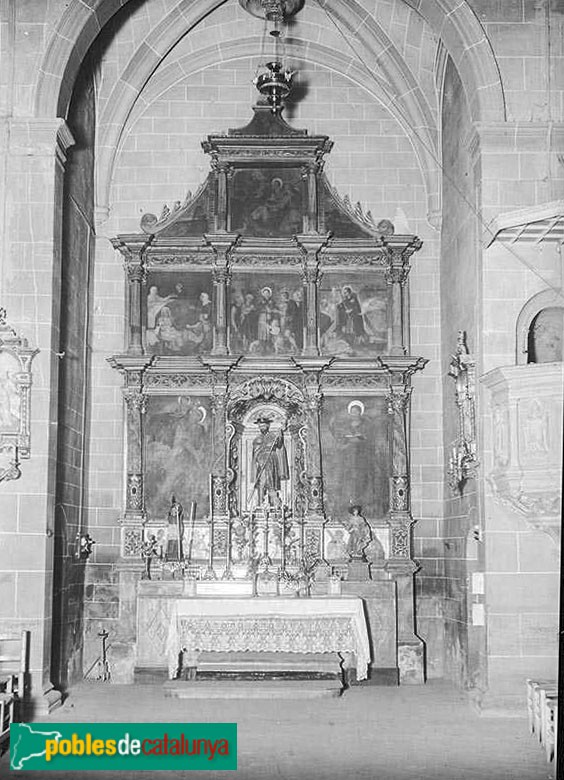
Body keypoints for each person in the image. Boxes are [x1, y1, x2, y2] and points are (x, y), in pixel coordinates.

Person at [251, 417, 289, 506]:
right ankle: (260, 504)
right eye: (260, 426)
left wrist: (280, 434)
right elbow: (255, 453)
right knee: (261, 483)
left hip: (271, 461)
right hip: (261, 463)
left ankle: (274, 504)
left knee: (271, 482)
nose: (262, 428)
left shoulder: (273, 436)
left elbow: (279, 445)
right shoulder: (257, 439)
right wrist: (259, 459)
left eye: (263, 426)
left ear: (268, 426)